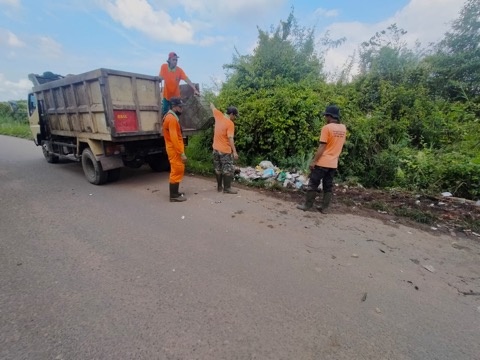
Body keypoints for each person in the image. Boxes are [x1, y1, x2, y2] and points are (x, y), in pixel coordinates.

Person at [297, 105, 347, 213]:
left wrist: (314, 161)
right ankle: (325, 208)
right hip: (333, 163)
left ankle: (307, 205)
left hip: (323, 162)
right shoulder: (343, 128)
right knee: (328, 186)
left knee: (313, 183)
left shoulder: (327, 128)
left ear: (329, 116)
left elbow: (322, 146)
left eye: (326, 116)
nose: (325, 118)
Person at [210, 103, 239, 194]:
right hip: (225, 151)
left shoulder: (218, 115)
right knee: (227, 169)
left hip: (215, 149)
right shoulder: (230, 123)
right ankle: (227, 188)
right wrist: (234, 152)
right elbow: (230, 138)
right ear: (231, 114)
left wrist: (209, 102)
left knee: (217, 168)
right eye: (235, 116)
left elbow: (212, 106)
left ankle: (219, 187)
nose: (234, 118)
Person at [163, 97, 188, 202]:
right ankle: (173, 196)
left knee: (178, 169)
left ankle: (175, 192)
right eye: (180, 107)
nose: (182, 109)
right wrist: (181, 153)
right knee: (176, 170)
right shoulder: (171, 119)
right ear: (174, 107)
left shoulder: (170, 117)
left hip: (174, 149)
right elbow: (174, 138)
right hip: (174, 149)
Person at [158, 52, 200, 116]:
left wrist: (195, 89)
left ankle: (176, 124)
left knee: (177, 114)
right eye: (173, 60)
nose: (175, 62)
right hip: (166, 96)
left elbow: (187, 79)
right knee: (165, 113)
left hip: (176, 97)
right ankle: (165, 125)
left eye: (176, 60)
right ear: (169, 60)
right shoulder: (164, 67)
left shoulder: (179, 70)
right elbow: (160, 78)